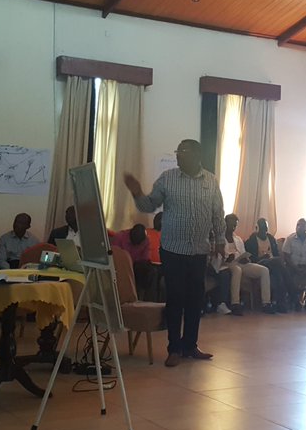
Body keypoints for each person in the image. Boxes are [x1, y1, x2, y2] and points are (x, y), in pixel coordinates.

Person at [124, 139, 225, 367]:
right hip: (172, 250)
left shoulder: (210, 180)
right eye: (177, 152)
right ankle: (174, 348)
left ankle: (190, 345)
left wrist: (220, 240)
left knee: (195, 299)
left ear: (197, 155)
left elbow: (218, 213)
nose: (178, 156)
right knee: (175, 298)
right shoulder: (168, 178)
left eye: (183, 152)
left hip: (199, 250)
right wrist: (137, 192)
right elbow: (149, 206)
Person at [207, 214, 269, 316]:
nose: (233, 228)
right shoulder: (219, 239)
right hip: (226, 264)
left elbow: (243, 253)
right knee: (237, 270)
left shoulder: (238, 239)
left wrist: (246, 258)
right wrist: (227, 257)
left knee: (264, 270)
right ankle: (235, 303)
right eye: (231, 225)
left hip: (241, 263)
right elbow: (216, 258)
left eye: (235, 225)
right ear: (225, 224)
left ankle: (266, 303)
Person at [245, 217, 290, 313]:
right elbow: (250, 259)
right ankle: (290, 294)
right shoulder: (252, 240)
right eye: (262, 228)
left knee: (277, 273)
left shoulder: (271, 238)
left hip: (273, 264)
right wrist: (263, 258)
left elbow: (276, 254)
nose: (264, 230)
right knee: (278, 263)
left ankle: (279, 303)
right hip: (259, 263)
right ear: (257, 228)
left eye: (266, 228)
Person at [111, 224, 155, 299]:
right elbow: (115, 257)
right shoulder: (120, 237)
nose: (136, 246)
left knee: (151, 270)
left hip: (136, 265)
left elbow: (145, 258)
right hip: (122, 266)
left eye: (139, 244)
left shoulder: (145, 240)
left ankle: (144, 298)